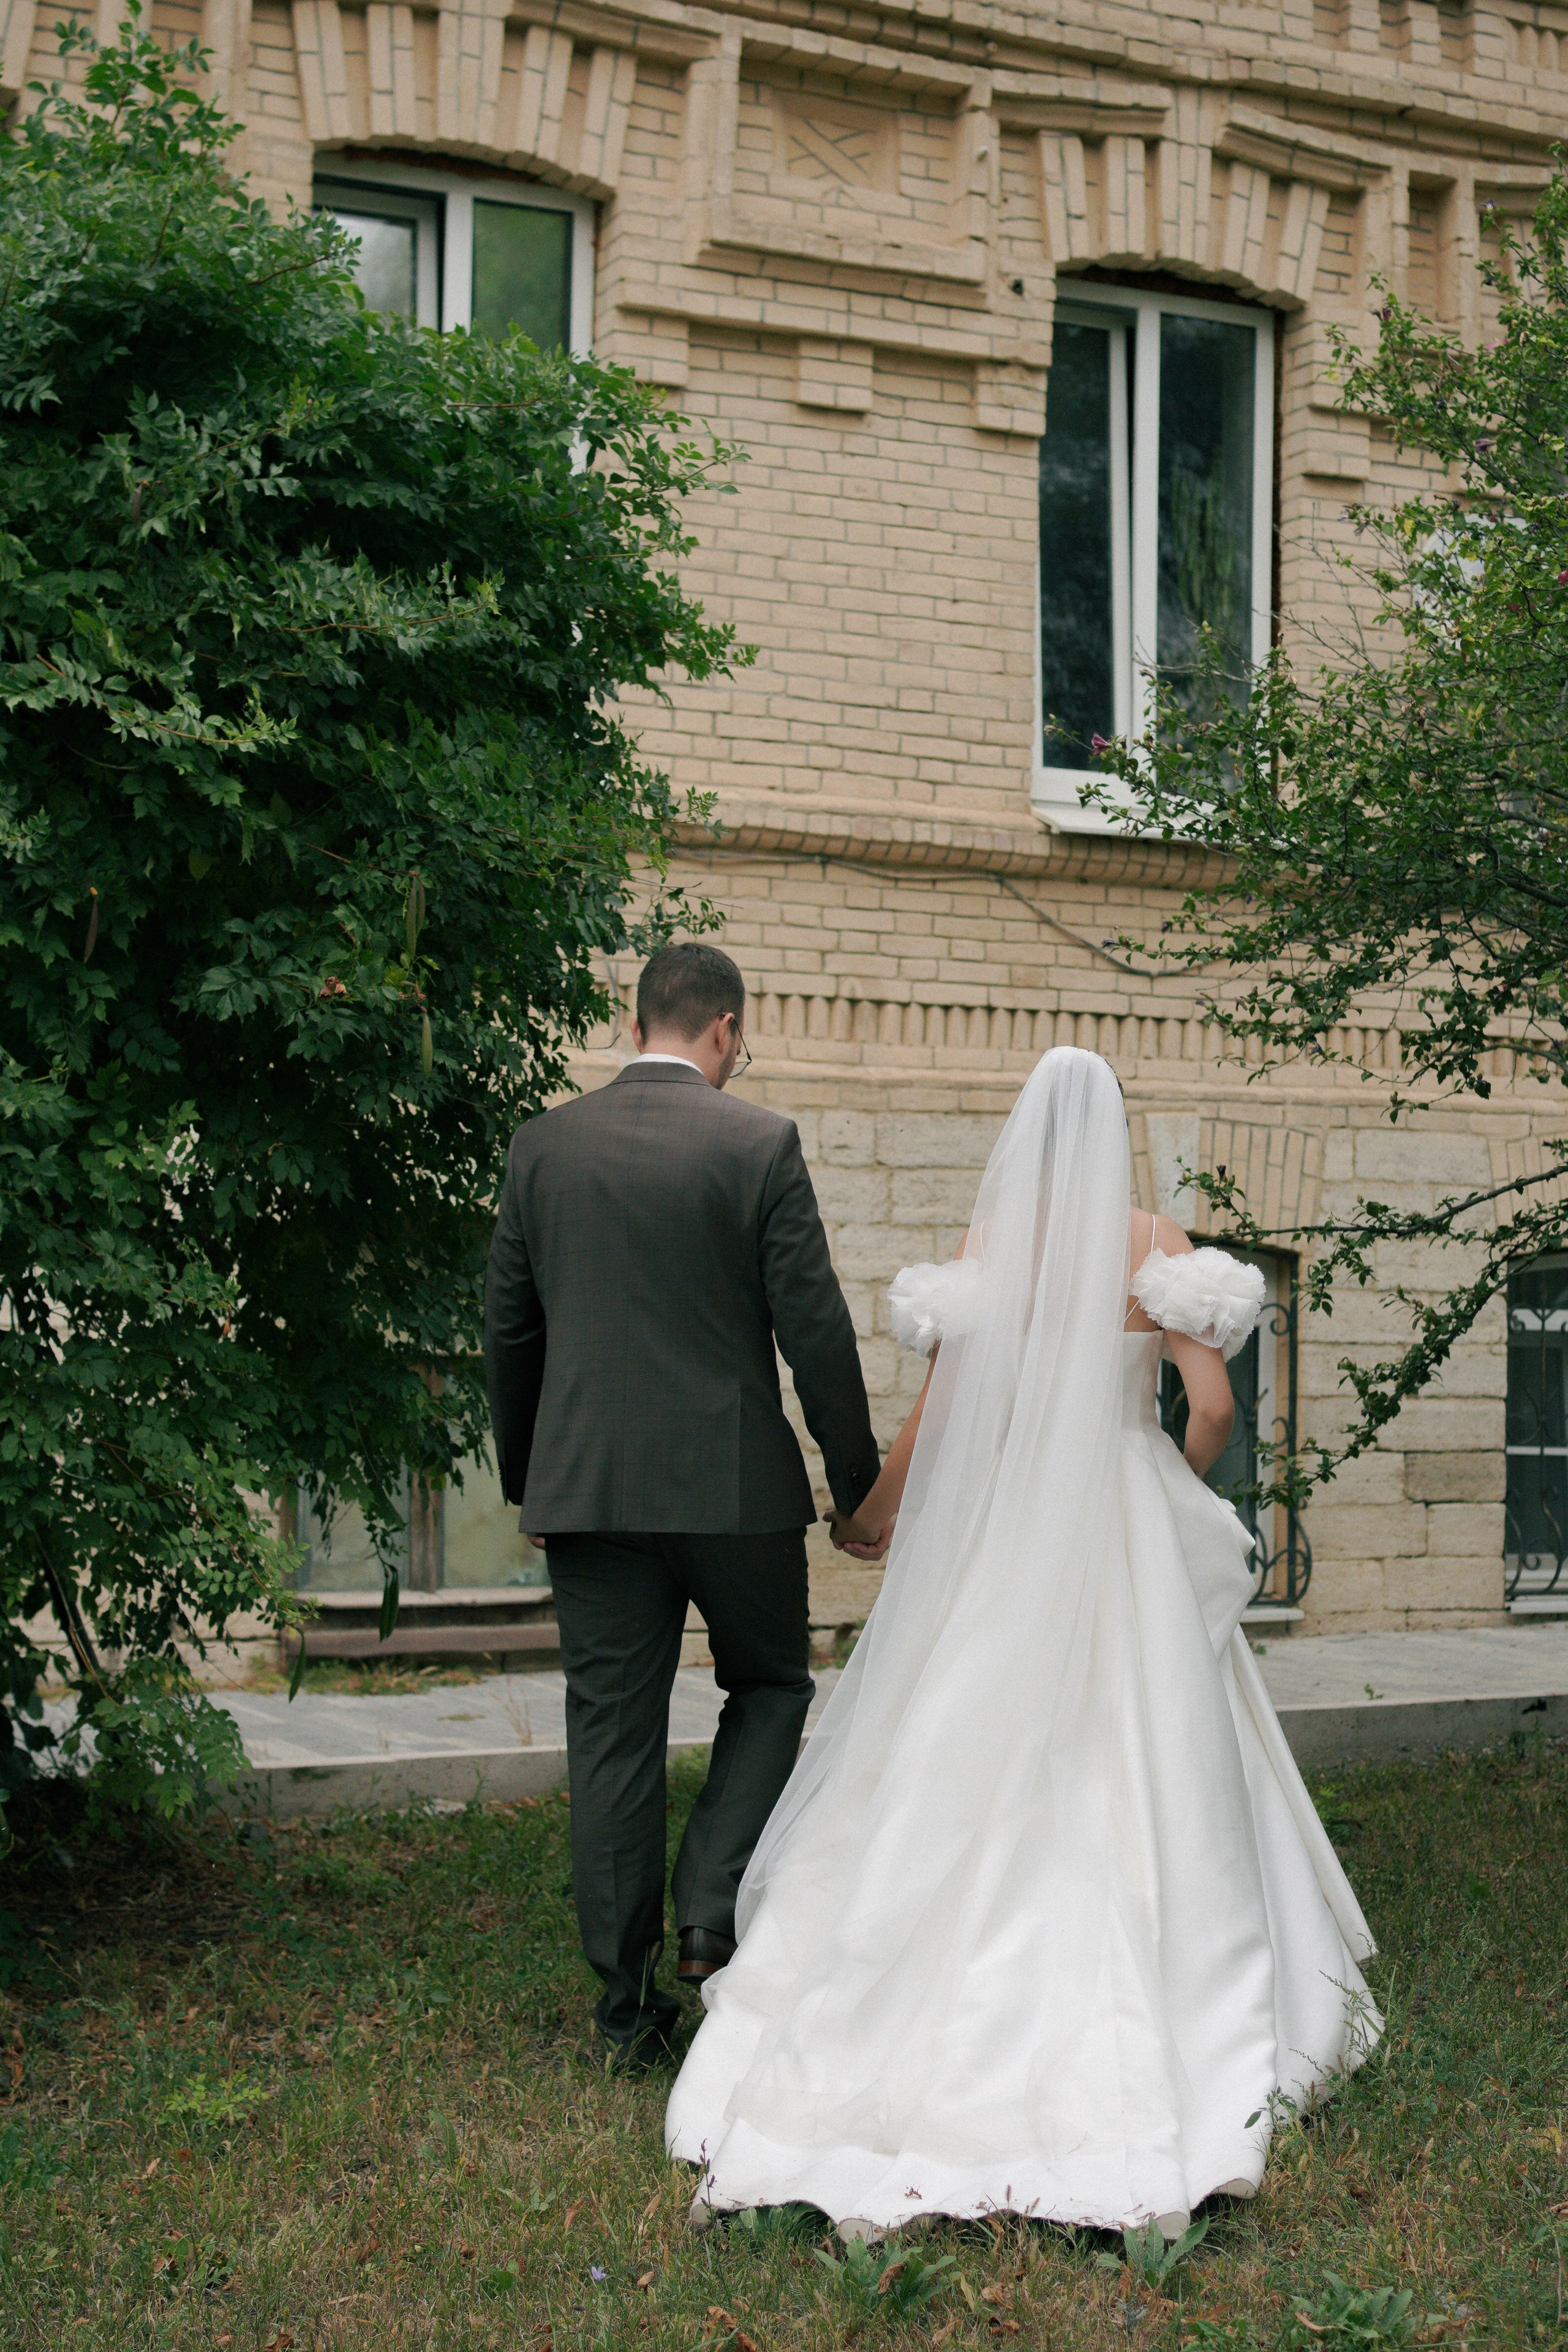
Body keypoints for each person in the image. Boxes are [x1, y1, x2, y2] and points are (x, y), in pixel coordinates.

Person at [666, 1046, 1379, 2233]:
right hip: (1121, 1522)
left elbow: (939, 1417)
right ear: (1117, 1132)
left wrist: (869, 1520)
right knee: (1151, 1744)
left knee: (955, 1730)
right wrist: (1164, 1476)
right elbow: (1208, 1409)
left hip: (1009, 1529)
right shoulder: (1156, 1245)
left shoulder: (991, 1248)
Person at [484, 941, 883, 2066]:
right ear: (725, 1032)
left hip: (590, 1496)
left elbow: (508, 1334)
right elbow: (816, 1332)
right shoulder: (758, 1143)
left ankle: (625, 2012)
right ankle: (711, 1900)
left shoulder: (543, 1146)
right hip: (737, 1493)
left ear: (634, 1019)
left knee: (611, 1735)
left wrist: (537, 1481)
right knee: (769, 1684)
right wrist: (855, 1489)